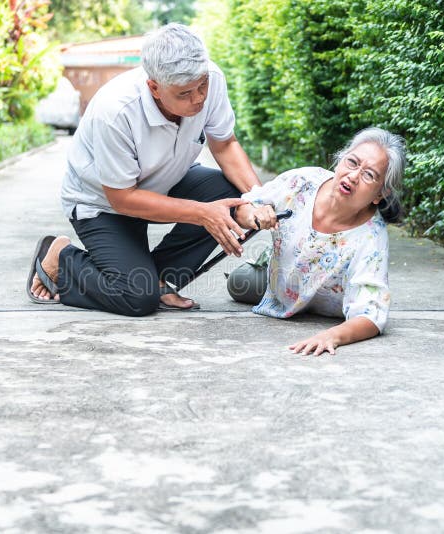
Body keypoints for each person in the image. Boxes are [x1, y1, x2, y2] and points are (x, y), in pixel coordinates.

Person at [27, 23, 262, 316]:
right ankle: (63, 260)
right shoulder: (115, 111)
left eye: (202, 86)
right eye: (185, 93)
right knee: (136, 298)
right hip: (103, 204)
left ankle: (162, 280)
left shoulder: (210, 77)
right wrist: (203, 213)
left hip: (165, 181)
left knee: (232, 195)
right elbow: (123, 198)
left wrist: (258, 201)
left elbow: (225, 144)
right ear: (154, 87)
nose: (199, 98)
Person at [232, 127, 406, 356]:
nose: (353, 177)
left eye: (369, 175)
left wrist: (332, 335)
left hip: (324, 310)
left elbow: (371, 315)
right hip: (276, 287)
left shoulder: (372, 237)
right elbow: (242, 207)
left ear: (379, 195)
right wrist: (255, 213)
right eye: (352, 163)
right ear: (340, 160)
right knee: (237, 282)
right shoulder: (303, 181)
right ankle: (263, 265)